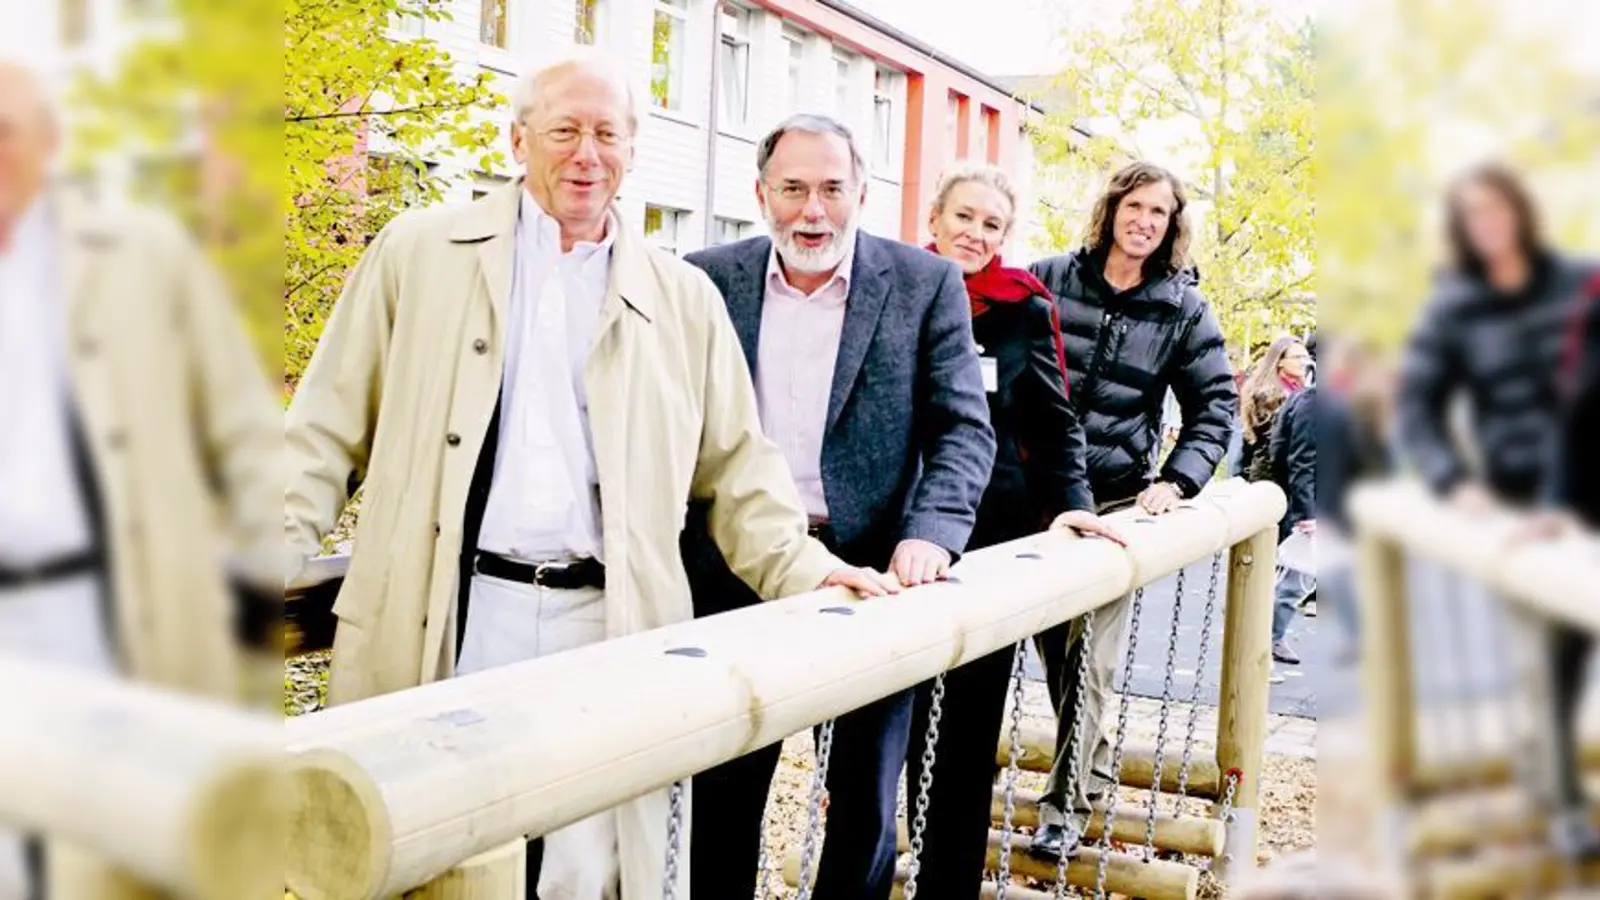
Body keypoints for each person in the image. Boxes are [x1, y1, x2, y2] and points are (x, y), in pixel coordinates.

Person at [284, 55, 899, 900]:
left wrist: (814, 573)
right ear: (518, 139)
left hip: (608, 623)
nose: (587, 154)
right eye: (564, 130)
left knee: (590, 869)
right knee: (435, 855)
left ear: (633, 150)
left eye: (607, 134)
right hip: (459, 611)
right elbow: (322, 433)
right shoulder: (419, 255)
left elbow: (741, 476)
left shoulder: (682, 298)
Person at [681, 115, 996, 900]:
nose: (811, 211)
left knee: (861, 803)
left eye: (830, 189)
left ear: (861, 192)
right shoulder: (705, 279)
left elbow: (964, 430)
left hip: (871, 577)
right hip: (729, 570)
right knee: (719, 799)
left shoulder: (924, 285)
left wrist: (930, 535)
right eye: (792, 189)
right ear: (761, 194)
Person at [0, 60, 282, 900]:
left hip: (108, 614)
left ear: (50, 143)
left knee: (115, 862)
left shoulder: (143, 254)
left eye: (4, 131)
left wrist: (260, 585)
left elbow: (245, 429)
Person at [893, 163, 1122, 900]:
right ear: (934, 217)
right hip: (897, 532)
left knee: (963, 727)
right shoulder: (895, 289)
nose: (975, 233)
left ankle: (946, 883)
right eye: (963, 217)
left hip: (990, 537)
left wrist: (1074, 502)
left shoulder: (1024, 308)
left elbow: (1053, 422)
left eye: (992, 224)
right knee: (884, 724)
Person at [1024, 160, 1237, 859]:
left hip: (1114, 501)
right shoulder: (1049, 280)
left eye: (1161, 212)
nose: (1146, 220)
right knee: (1051, 655)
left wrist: (1178, 481)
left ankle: (1065, 807)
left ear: (1173, 226)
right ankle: (1094, 768)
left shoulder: (1181, 310)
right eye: (1136, 206)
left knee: (1088, 657)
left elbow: (1216, 407)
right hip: (1033, 493)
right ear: (1111, 210)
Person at [1396, 161, 1599, 862]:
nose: (1488, 223)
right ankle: (1561, 798)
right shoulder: (1454, 308)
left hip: (1587, 484)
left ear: (1521, 210)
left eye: (1497, 208)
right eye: (1471, 212)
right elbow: (1415, 409)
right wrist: (1455, 481)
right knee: (1552, 655)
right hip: (1515, 496)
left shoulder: (1579, 284)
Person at [1264, 336, 1317, 680]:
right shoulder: (1315, 402)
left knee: (1298, 583)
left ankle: (1270, 640)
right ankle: (1265, 643)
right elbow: (1302, 461)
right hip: (1303, 510)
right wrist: (1307, 513)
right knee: (1289, 585)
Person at [1239, 335, 1310, 485]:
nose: (1304, 362)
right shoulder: (1267, 396)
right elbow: (1273, 441)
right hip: (1271, 477)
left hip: (1295, 472)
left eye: (1305, 357)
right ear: (1280, 362)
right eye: (1297, 357)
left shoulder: (1302, 391)